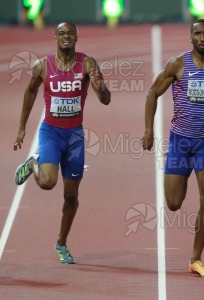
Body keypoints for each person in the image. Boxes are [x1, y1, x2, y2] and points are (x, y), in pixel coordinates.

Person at [141, 19, 204, 278]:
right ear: (191, 37)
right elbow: (153, 93)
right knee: (174, 203)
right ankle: (183, 175)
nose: (202, 38)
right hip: (180, 141)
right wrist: (148, 131)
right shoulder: (177, 64)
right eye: (197, 33)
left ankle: (196, 258)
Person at [13, 22, 111, 264]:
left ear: (77, 37)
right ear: (54, 38)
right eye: (61, 34)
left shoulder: (87, 63)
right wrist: (22, 127)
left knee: (71, 196)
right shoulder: (42, 66)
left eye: (70, 34)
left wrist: (101, 88)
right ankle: (33, 164)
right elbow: (30, 92)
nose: (66, 37)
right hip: (51, 133)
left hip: (75, 136)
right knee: (47, 182)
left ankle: (61, 242)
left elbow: (105, 99)